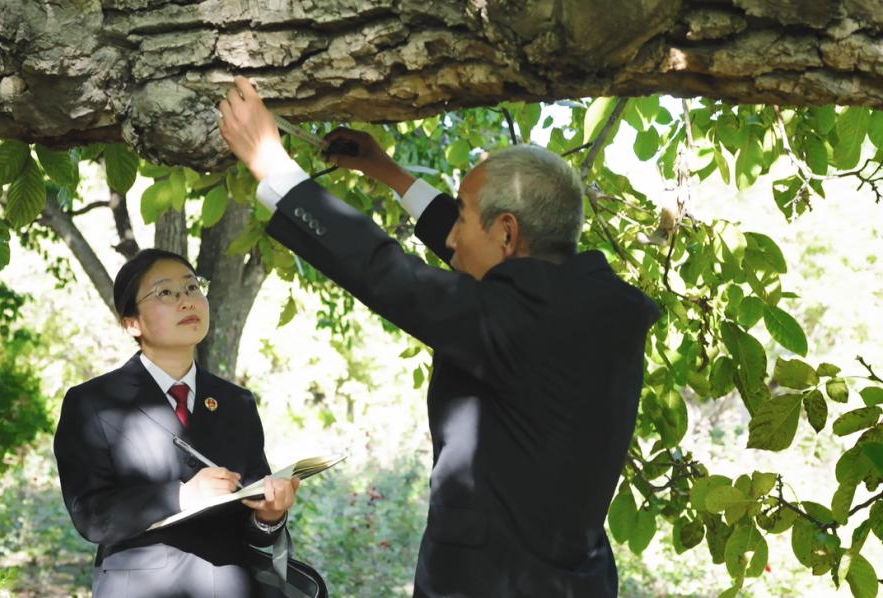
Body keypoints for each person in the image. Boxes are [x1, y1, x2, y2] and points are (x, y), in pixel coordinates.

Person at [218, 77, 660, 597]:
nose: (451, 238)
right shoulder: (593, 306)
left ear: (507, 232)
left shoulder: (519, 322)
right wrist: (388, 173)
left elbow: (392, 278)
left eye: (463, 216)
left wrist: (274, 168)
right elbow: (486, 260)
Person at [53, 248, 300, 597]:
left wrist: (270, 515)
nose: (186, 301)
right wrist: (182, 495)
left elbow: (250, 523)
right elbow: (92, 516)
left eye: (192, 288)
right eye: (166, 292)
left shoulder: (236, 402)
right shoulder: (93, 402)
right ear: (132, 323)